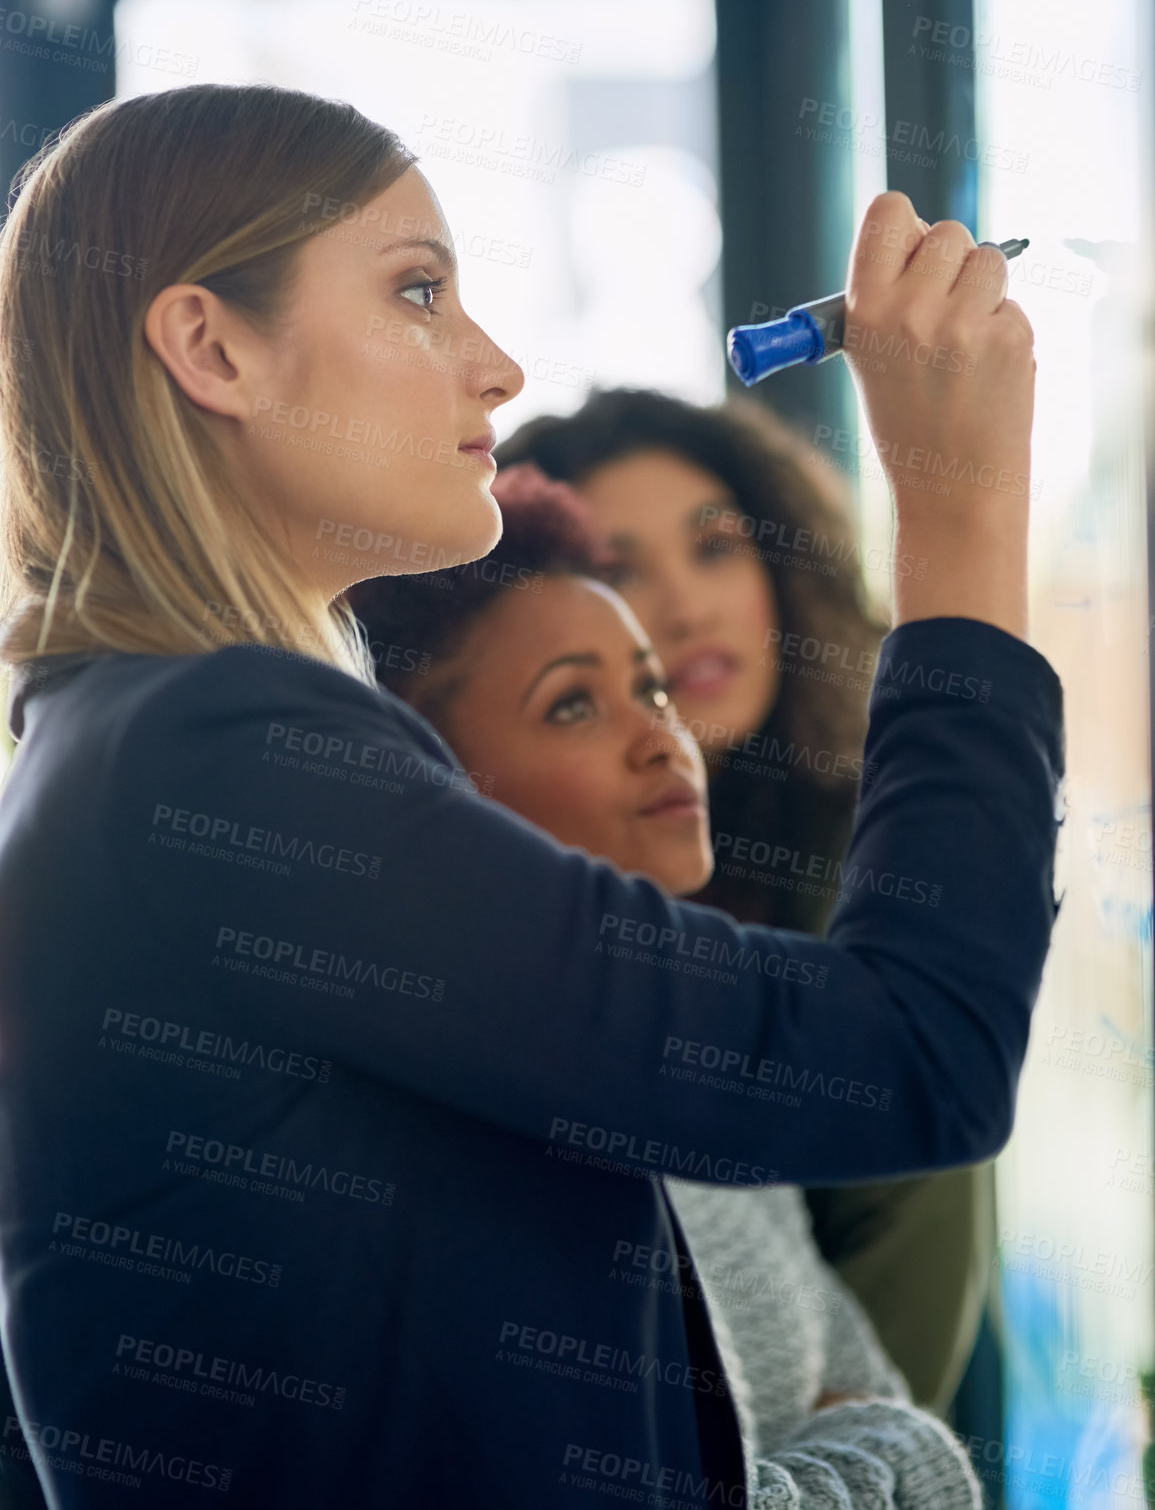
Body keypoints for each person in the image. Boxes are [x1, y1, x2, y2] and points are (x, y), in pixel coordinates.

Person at [0, 83, 1062, 1509]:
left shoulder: (127, 740)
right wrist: (958, 508)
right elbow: (915, 1052)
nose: (493, 367)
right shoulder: (216, 745)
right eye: (418, 291)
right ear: (210, 345)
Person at [349, 458, 982, 1508]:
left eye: (646, 685)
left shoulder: (693, 1070)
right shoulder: (483, 1148)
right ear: (441, 802)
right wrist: (883, 1453)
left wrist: (849, 1444)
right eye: (571, 708)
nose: (659, 734)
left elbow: (879, 1395)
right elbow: (889, 1443)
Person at [496, 389, 993, 1413]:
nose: (685, 606)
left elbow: (900, 1351)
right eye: (618, 569)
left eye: (716, 547)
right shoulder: (522, 909)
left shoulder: (874, 875)